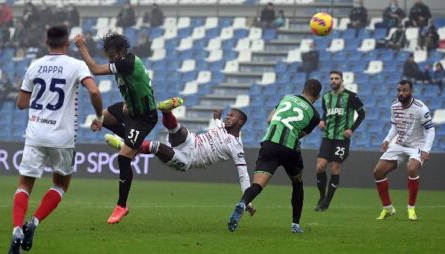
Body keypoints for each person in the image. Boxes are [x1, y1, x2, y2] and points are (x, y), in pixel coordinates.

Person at [7, 25, 103, 254]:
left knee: (24, 186)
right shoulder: (77, 65)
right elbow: (95, 92)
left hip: (35, 135)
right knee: (60, 185)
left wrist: (42, 100)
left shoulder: (34, 66)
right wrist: (99, 115)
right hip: (62, 137)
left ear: (45, 42)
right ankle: (35, 221)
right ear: (67, 44)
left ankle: (16, 230)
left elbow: (21, 103)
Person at [105, 104, 257, 215]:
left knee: (156, 146)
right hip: (191, 141)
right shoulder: (223, 126)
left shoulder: (237, 147)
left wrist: (247, 201)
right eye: (228, 114)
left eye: (232, 115)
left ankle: (130, 148)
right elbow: (220, 126)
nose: (227, 116)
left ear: (240, 122)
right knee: (178, 130)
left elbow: (243, 175)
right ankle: (166, 111)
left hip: (188, 159)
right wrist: (216, 118)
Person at [75, 32, 159, 224]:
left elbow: (95, 69)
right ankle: (134, 143)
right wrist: (126, 101)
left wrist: (82, 47)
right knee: (102, 119)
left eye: (112, 56)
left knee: (123, 158)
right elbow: (137, 86)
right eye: (108, 56)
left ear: (122, 51)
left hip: (144, 118)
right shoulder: (124, 61)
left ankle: (121, 205)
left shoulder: (127, 64)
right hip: (131, 111)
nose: (110, 59)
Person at [227, 79, 322, 233]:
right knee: (297, 183)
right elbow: (301, 133)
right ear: (317, 96)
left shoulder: (286, 98)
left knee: (257, 185)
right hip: (289, 148)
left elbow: (270, 119)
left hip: (269, 143)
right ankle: (295, 225)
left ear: (303, 89)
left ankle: (243, 203)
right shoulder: (315, 116)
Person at [373, 80, 435, 221]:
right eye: (399, 90)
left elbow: (431, 130)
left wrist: (426, 149)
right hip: (400, 144)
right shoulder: (394, 106)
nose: (401, 93)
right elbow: (395, 126)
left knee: (411, 168)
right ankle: (388, 208)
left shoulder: (421, 108)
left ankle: (411, 209)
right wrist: (388, 139)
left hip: (417, 146)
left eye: (405, 90)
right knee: (378, 172)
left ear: (411, 91)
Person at [315, 71, 366, 212]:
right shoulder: (325, 97)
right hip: (327, 137)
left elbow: (362, 113)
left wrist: (352, 129)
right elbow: (326, 113)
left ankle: (326, 202)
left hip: (342, 139)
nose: (333, 81)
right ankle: (322, 196)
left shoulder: (350, 96)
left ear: (342, 80)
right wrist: (322, 121)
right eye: (331, 78)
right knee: (320, 167)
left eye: (336, 78)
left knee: (335, 168)